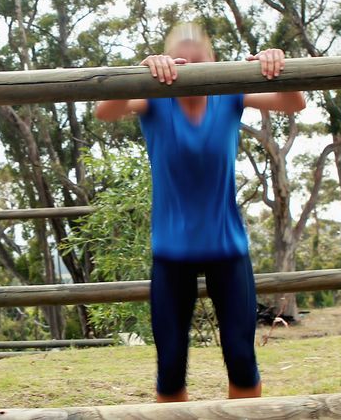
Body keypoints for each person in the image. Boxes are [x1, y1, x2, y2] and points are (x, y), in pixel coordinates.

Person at [94, 23, 306, 402]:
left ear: (213, 61)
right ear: (167, 63)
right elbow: (104, 111)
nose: (189, 68)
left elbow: (293, 103)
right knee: (171, 366)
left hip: (228, 247)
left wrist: (276, 64)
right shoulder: (153, 98)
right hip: (171, 252)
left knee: (242, 357)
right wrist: (139, 72)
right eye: (180, 60)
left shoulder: (229, 93)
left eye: (199, 60)